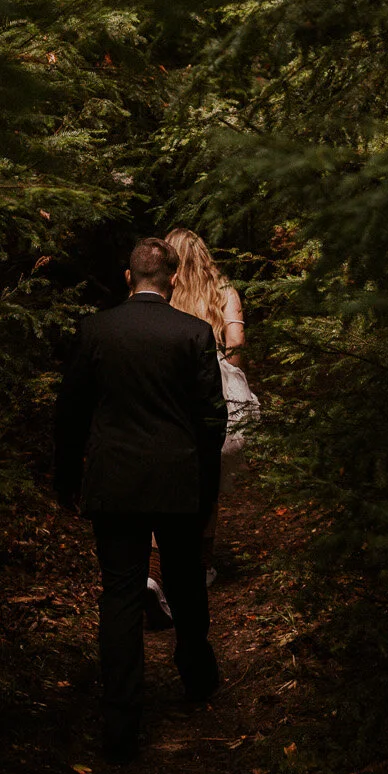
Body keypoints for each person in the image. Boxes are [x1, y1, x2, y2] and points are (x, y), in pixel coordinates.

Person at [53, 236, 227, 762]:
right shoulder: (194, 333)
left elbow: (71, 412)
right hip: (178, 482)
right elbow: (211, 420)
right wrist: (205, 485)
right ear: (172, 279)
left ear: (129, 278)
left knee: (121, 593)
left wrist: (67, 479)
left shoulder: (97, 330)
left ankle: (121, 720)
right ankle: (196, 676)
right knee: (184, 580)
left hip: (116, 483)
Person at [165, 226, 249, 581]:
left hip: (172, 389)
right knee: (208, 479)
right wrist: (228, 372)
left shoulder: (163, 291)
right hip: (214, 392)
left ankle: (159, 568)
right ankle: (202, 564)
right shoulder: (224, 291)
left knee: (167, 476)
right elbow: (236, 344)